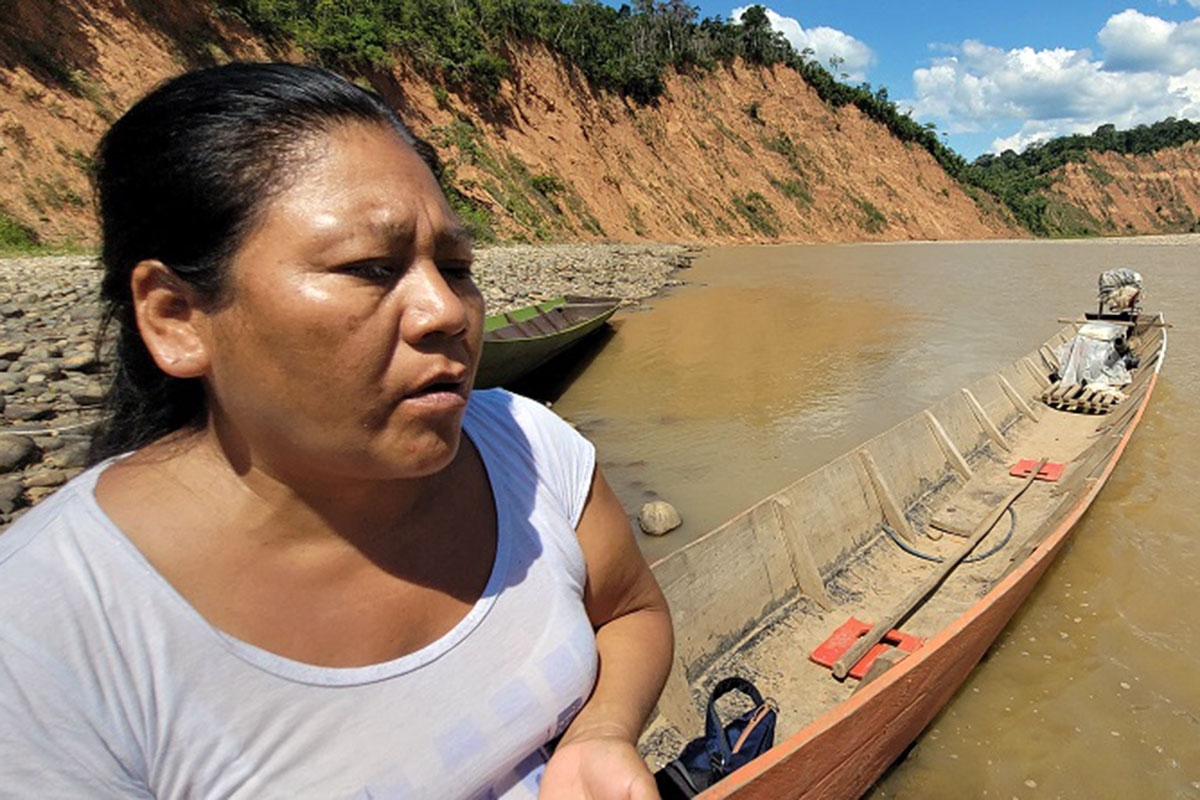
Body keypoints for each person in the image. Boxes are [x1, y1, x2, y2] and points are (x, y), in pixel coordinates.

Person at [0, 63, 673, 799]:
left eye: (456, 266)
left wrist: (599, 731)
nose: (447, 311)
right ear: (177, 318)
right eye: (370, 267)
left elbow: (631, 612)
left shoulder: (530, 447)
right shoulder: (42, 639)